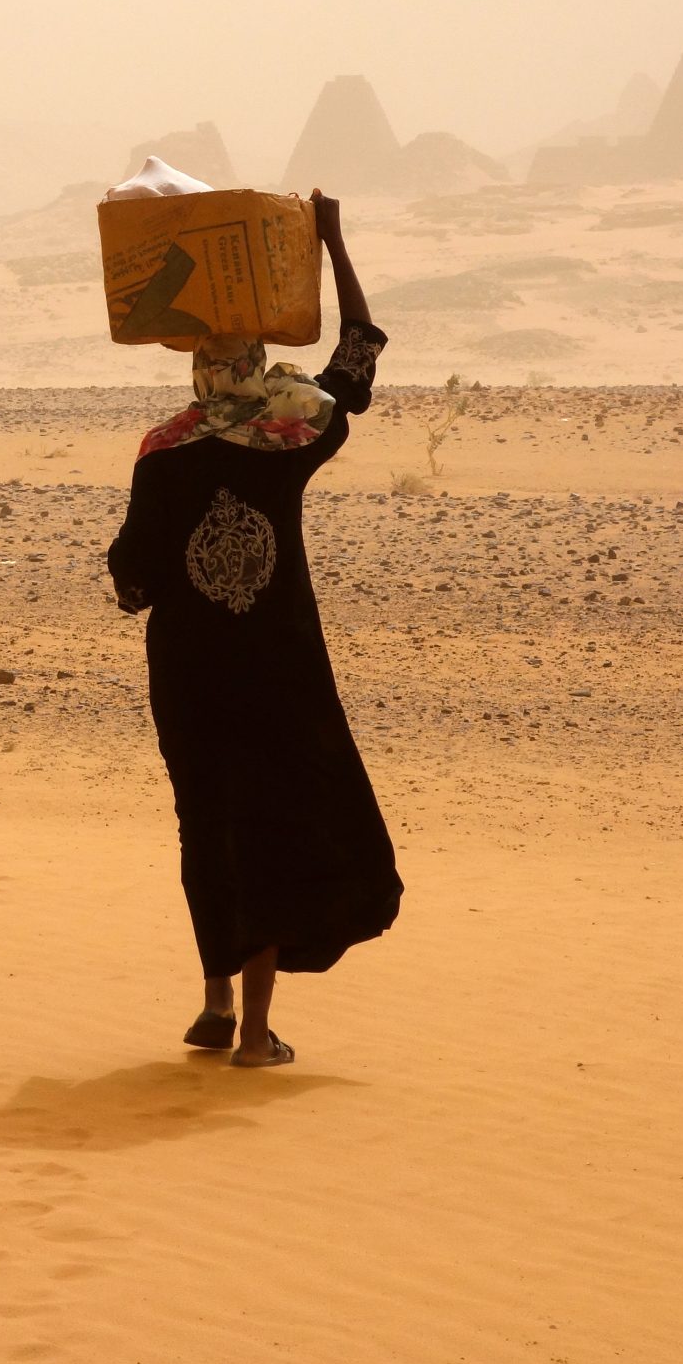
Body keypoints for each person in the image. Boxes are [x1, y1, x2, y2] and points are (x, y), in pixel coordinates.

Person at [104, 191, 400, 1068]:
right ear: (261, 359)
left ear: (196, 364)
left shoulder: (163, 449)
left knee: (207, 823)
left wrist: (166, 573)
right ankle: (256, 1034)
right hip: (278, 664)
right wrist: (334, 238)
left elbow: (132, 577)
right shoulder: (290, 431)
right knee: (270, 824)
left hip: (189, 672)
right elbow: (357, 352)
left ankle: (214, 1001)